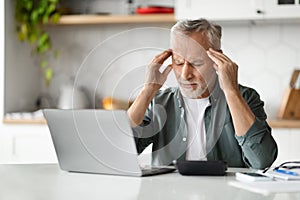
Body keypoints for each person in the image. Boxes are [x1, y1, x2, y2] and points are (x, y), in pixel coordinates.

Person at [127, 18, 277, 169]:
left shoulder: (245, 97)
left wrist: (231, 91)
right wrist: (148, 90)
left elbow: (262, 160)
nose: (185, 75)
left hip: (226, 192)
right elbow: (123, 151)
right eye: (178, 62)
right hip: (169, 192)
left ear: (217, 59)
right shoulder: (160, 101)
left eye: (196, 63)